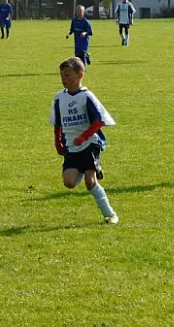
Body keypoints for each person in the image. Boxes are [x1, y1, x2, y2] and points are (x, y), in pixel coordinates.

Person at [49, 57, 118, 225]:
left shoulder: (86, 96)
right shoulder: (59, 98)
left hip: (89, 143)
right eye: (61, 76)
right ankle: (91, 167)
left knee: (89, 182)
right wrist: (58, 142)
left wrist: (84, 136)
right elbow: (57, 123)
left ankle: (110, 214)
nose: (64, 79)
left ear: (80, 75)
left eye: (67, 75)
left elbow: (98, 121)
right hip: (72, 146)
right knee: (69, 182)